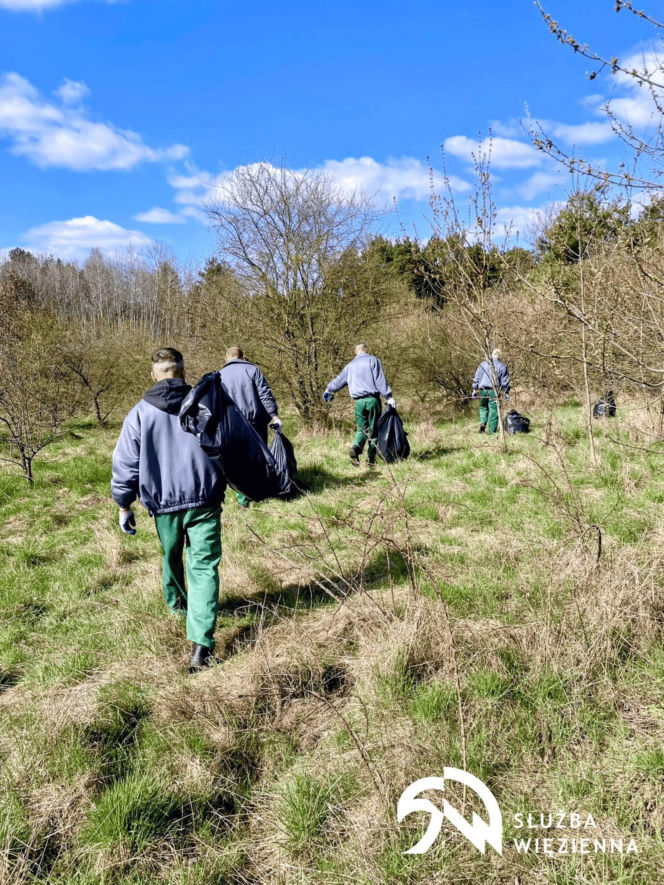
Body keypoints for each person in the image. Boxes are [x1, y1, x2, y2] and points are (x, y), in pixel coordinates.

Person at [111, 347, 226, 673]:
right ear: (183, 371)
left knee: (171, 556)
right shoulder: (207, 404)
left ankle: (178, 608)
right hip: (205, 500)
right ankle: (201, 644)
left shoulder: (139, 414)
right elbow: (229, 443)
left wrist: (123, 503)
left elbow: (125, 464)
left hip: (163, 505)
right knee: (203, 568)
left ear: (154, 374)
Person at [218, 346, 281, 508]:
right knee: (260, 457)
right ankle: (262, 493)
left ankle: (243, 499)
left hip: (233, 425)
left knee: (239, 461)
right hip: (256, 422)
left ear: (226, 359)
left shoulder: (219, 375)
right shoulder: (253, 370)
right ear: (243, 356)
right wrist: (274, 414)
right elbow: (264, 393)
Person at [323, 343, 396, 466]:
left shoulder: (350, 366)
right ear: (366, 350)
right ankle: (370, 460)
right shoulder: (373, 361)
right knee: (374, 431)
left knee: (362, 429)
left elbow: (339, 380)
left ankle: (356, 448)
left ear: (355, 352)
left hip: (358, 403)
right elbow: (380, 380)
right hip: (372, 400)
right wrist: (388, 396)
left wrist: (329, 389)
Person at [471, 348, 510, 435]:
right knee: (494, 410)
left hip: (483, 390)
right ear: (500, 356)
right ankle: (492, 432)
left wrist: (474, 389)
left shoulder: (483, 364)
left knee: (483, 407)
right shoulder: (502, 366)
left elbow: (477, 377)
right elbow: (505, 381)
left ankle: (483, 424)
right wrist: (506, 392)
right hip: (494, 390)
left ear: (492, 355)